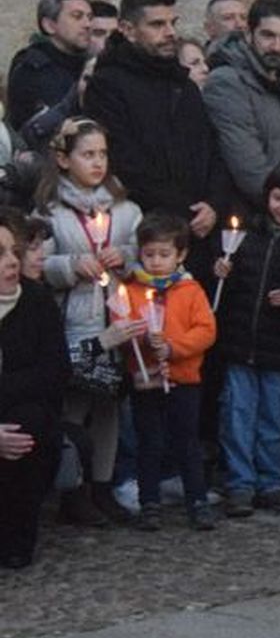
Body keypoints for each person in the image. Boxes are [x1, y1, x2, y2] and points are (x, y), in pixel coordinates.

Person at [34, 117, 143, 522]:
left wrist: (127, 257)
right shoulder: (51, 212)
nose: (97, 162)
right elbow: (38, 263)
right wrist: (69, 265)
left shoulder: (126, 209)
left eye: (102, 154)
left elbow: (141, 250)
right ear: (64, 160)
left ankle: (103, 483)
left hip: (116, 313)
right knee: (76, 400)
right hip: (75, 316)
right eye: (87, 154)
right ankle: (72, 488)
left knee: (110, 404)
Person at [82, 0, 229, 279]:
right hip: (151, 232)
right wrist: (185, 210)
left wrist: (213, 203)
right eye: (157, 24)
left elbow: (211, 148)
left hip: (201, 230)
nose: (170, 32)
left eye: (172, 23)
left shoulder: (183, 85)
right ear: (127, 29)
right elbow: (124, 160)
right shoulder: (108, 85)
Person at [212, 160, 280, 517]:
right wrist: (222, 272)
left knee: (276, 417)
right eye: (279, 197)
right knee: (237, 415)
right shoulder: (247, 237)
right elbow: (229, 291)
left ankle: (272, 481)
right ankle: (239, 483)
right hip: (241, 343)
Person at [123, 212, 218, 531]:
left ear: (181, 255)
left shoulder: (191, 291)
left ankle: (198, 500)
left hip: (184, 379)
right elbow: (123, 324)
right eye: (149, 254)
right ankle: (149, 501)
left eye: (164, 255)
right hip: (146, 380)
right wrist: (141, 337)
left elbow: (206, 330)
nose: (156, 262)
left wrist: (174, 347)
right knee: (149, 441)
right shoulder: (132, 289)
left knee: (186, 441)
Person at [0, 215, 71, 568]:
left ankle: (16, 537)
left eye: (14, 251)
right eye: (0, 254)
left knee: (28, 426)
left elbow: (54, 370)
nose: (11, 261)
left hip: (24, 416)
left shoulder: (37, 302)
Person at [204, 0, 280, 210]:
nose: (277, 46)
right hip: (256, 212)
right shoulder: (227, 81)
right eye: (268, 36)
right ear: (248, 33)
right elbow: (246, 163)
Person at [5, 0, 92, 131]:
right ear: (49, 25)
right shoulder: (33, 68)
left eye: (90, 17)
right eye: (77, 16)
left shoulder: (88, 63)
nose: (87, 24)